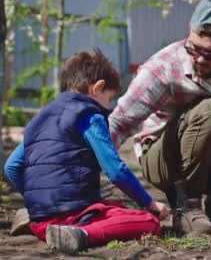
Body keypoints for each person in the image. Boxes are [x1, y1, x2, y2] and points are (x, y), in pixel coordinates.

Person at [109, 0, 211, 235]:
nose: (200, 59)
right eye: (194, 49)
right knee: (210, 112)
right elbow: (118, 123)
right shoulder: (163, 66)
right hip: (163, 159)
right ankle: (187, 207)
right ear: (189, 32)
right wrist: (82, 170)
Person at [3, 50, 169, 255]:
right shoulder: (89, 115)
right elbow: (115, 170)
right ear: (97, 88)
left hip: (40, 218)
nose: (108, 106)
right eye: (109, 99)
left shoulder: (40, 119)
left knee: (112, 205)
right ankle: (81, 234)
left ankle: (38, 223)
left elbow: (11, 167)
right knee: (148, 222)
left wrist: (36, 200)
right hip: (73, 215)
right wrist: (150, 203)